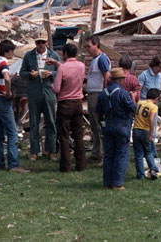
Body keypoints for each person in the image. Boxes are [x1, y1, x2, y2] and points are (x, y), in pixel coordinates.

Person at [0, 40, 29, 173]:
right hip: (4, 101)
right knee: (12, 133)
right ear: (8, 51)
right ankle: (13, 164)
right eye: (12, 51)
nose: (13, 54)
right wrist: (8, 92)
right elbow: (6, 77)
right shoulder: (2, 63)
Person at [20, 29, 61, 161]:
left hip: (49, 92)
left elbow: (61, 72)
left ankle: (51, 150)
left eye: (42, 42)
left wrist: (51, 74)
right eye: (38, 43)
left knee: (50, 122)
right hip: (34, 93)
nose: (40, 45)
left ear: (47, 42)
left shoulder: (54, 55)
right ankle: (34, 151)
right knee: (34, 122)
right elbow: (22, 73)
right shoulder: (29, 56)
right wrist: (30, 75)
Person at [96, 67, 137, 189]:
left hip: (108, 125)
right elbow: (133, 108)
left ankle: (107, 182)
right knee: (122, 154)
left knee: (108, 155)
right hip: (122, 125)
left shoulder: (103, 93)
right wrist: (133, 99)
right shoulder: (122, 92)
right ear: (120, 80)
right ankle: (117, 183)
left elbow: (98, 110)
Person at [52, 42, 87, 172]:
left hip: (65, 103)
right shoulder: (81, 66)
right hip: (78, 102)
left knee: (64, 136)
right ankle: (81, 165)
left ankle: (65, 166)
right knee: (79, 135)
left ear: (65, 54)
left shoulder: (62, 68)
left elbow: (56, 88)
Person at [85, 35, 110, 164]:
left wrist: (104, 93)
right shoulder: (95, 60)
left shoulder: (102, 59)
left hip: (98, 95)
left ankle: (103, 154)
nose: (87, 49)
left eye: (88, 46)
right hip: (92, 94)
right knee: (94, 125)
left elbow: (107, 75)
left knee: (100, 125)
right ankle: (96, 152)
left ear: (96, 44)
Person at [132, 88, 160, 180]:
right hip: (145, 131)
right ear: (156, 98)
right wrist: (151, 134)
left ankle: (140, 175)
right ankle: (153, 169)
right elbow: (151, 119)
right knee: (148, 152)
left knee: (138, 154)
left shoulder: (140, 103)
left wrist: (133, 98)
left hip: (136, 130)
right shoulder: (153, 107)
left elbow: (134, 112)